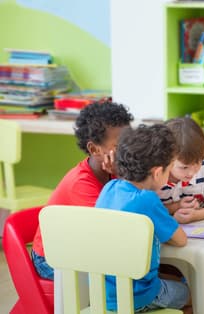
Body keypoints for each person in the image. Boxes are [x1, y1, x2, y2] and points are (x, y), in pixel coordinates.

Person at [31, 100, 134, 280]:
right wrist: (123, 177)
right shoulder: (81, 184)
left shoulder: (113, 172)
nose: (128, 151)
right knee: (125, 276)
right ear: (94, 149)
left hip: (82, 247)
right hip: (51, 259)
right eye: (119, 146)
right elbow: (118, 227)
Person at [95, 124, 192, 313]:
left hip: (103, 292)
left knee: (170, 279)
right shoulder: (147, 199)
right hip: (137, 296)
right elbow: (180, 239)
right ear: (157, 173)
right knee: (192, 293)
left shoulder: (111, 187)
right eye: (169, 169)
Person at [157, 117, 204, 224]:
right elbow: (146, 211)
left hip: (203, 229)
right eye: (184, 167)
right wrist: (176, 207)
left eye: (198, 162)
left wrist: (197, 215)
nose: (192, 173)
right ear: (166, 159)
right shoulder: (156, 177)